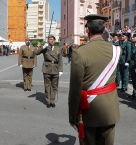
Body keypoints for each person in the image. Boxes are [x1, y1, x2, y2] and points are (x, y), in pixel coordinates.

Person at [68, 14, 121, 145]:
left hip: (89, 111)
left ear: (88, 30)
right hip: (110, 111)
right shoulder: (116, 50)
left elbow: (75, 89)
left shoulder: (79, 52)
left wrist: (72, 116)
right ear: (104, 30)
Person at [35, 35, 63, 108]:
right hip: (47, 68)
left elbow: (60, 60)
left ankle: (52, 101)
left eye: (53, 39)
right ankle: (48, 101)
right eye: (50, 39)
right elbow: (36, 52)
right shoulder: (45, 48)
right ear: (48, 40)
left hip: (55, 69)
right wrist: (43, 47)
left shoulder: (58, 48)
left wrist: (61, 70)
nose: (52, 40)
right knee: (47, 86)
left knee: (54, 86)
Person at [129, 33, 136, 99]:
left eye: (134, 37)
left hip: (135, 65)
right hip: (133, 65)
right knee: (134, 80)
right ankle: (134, 93)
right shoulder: (133, 45)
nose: (132, 38)